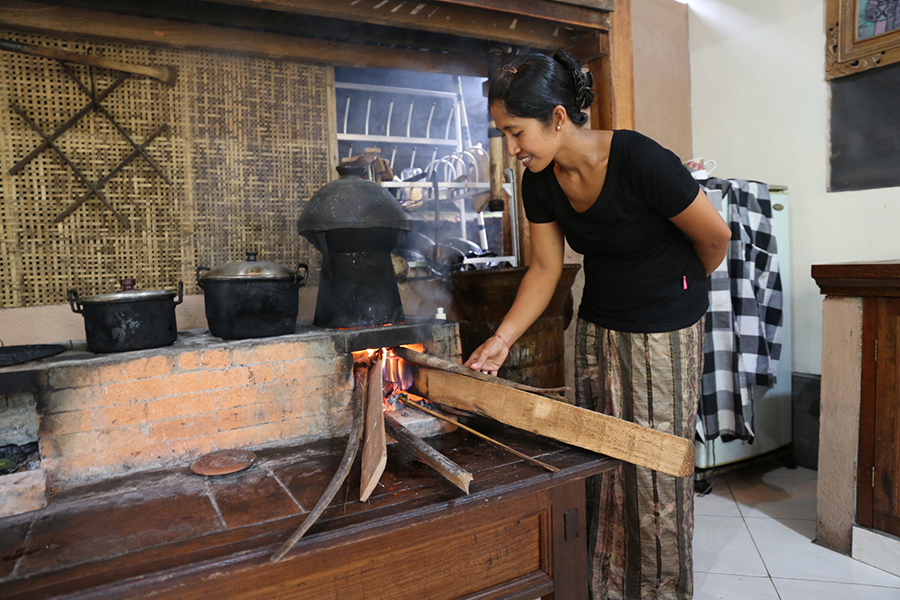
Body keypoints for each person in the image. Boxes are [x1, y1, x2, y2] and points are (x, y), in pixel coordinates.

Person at [464, 51, 731, 600]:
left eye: (516, 132)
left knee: (653, 472)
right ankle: (604, 588)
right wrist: (501, 339)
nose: (512, 148)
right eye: (504, 134)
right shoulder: (541, 179)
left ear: (558, 118)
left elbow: (715, 238)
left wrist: (675, 288)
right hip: (597, 327)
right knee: (599, 460)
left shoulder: (639, 159)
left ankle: (658, 592)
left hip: (663, 331)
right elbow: (544, 268)